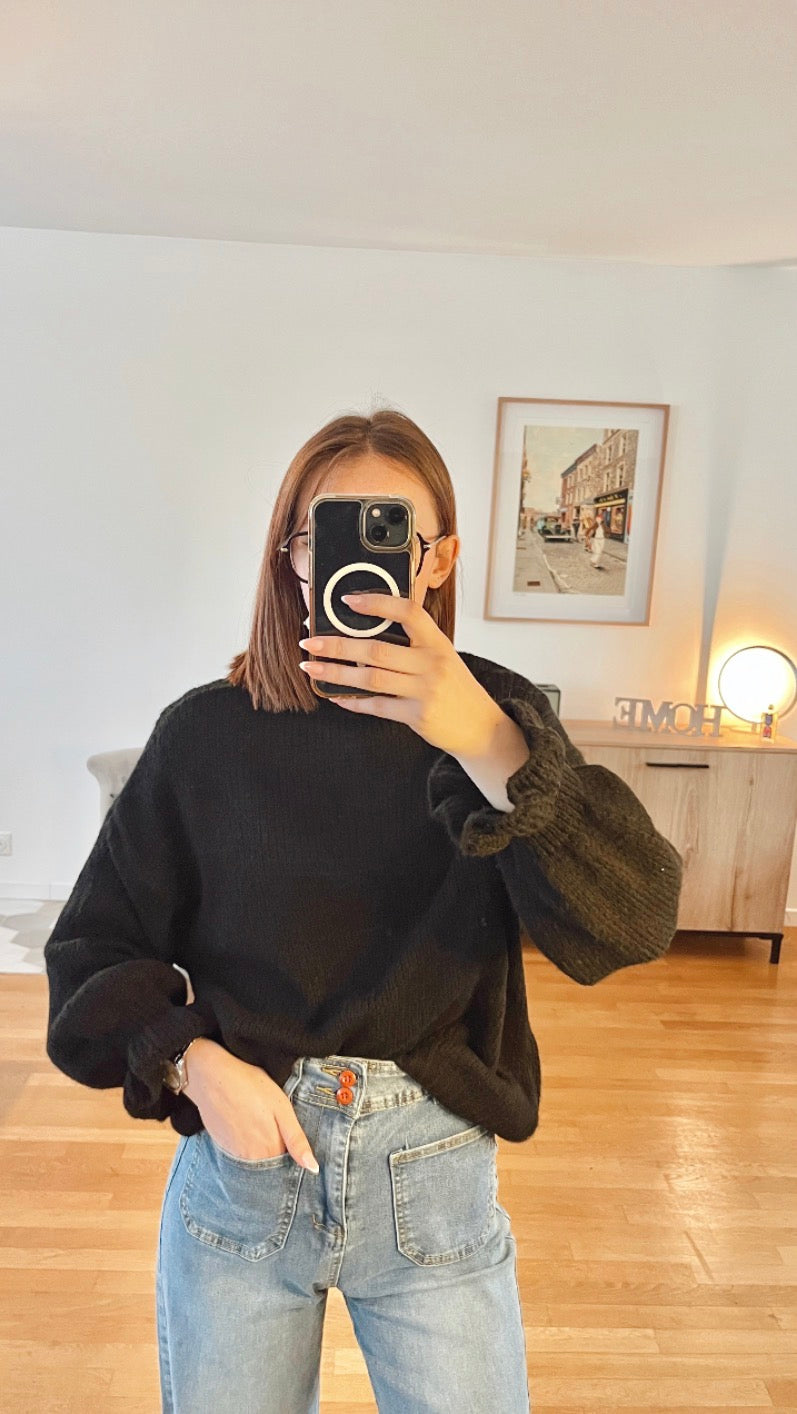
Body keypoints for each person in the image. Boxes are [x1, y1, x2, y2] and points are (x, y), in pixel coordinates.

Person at [44, 409, 683, 1413]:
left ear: (438, 559)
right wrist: (191, 1062)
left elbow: (632, 921)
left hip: (433, 1178)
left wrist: (488, 744)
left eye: (389, 529)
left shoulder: (499, 723)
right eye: (323, 530)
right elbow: (90, 948)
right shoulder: (205, 735)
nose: (352, 559)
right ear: (292, 558)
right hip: (243, 1175)